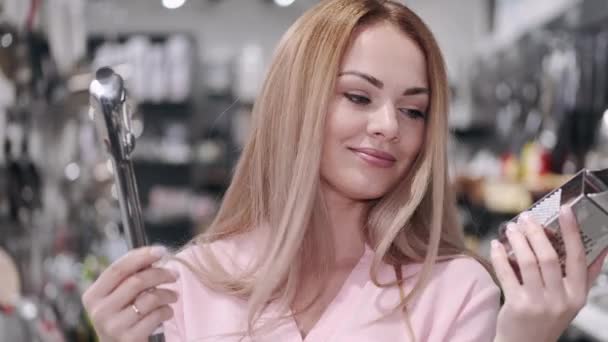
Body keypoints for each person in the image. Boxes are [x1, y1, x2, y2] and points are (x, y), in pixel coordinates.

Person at [81, 0, 608, 341]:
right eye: (359, 96)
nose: (388, 125)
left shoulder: (454, 292)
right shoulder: (187, 285)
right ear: (294, 102)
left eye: (413, 110)